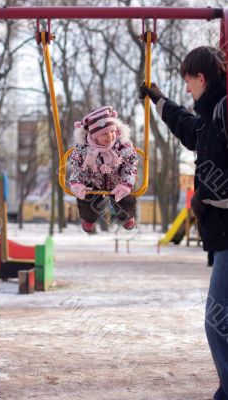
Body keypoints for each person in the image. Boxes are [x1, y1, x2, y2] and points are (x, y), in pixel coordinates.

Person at [140, 46, 228, 400]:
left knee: (217, 322)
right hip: (222, 235)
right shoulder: (211, 116)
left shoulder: (224, 110)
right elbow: (189, 130)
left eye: (188, 82)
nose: (187, 89)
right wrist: (160, 102)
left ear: (201, 78)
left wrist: (212, 197)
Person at [69, 105, 138, 233]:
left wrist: (126, 183)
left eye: (112, 131)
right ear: (94, 136)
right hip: (93, 181)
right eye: (104, 133)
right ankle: (88, 219)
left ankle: (127, 217)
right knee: (86, 199)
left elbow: (130, 163)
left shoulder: (122, 145)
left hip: (117, 179)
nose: (110, 136)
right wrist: (77, 183)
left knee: (125, 199)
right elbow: (76, 166)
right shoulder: (84, 148)